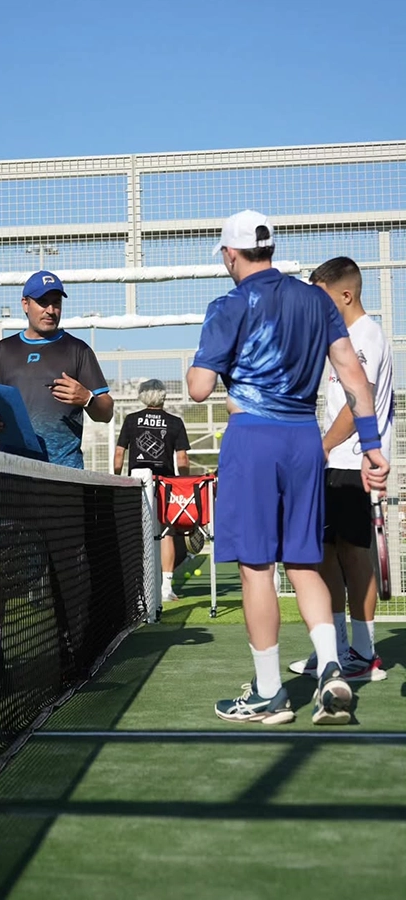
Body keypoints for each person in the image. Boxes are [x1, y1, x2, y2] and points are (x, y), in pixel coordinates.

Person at [186, 210, 389, 726]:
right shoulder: (318, 300)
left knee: (257, 567)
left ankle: (270, 695)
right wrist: (371, 447)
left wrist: (207, 362)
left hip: (253, 439)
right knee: (304, 561)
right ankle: (331, 668)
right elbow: (353, 379)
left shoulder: (228, 304)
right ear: (270, 249)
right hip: (304, 441)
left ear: (231, 255)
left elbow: (198, 389)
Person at [0, 270, 113, 679]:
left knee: (67, 565)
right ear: (25, 305)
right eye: (43, 301)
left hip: (63, 477)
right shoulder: (3, 352)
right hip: (12, 477)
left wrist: (88, 398)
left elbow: (106, 410)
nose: (51, 309)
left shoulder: (78, 350)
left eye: (56, 301)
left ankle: (73, 645)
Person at [289, 257, 393, 682]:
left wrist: (322, 445)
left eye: (322, 297)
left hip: (353, 462)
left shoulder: (366, 335)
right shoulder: (341, 337)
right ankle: (332, 648)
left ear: (345, 295)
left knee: (353, 553)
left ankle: (364, 654)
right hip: (333, 463)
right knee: (327, 552)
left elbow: (359, 399)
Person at [113, 378, 190, 602]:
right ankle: (166, 587)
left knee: (137, 534)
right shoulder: (175, 422)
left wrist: (116, 480)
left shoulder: (131, 420)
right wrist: (183, 484)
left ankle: (139, 587)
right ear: (163, 396)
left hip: (137, 483)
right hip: (166, 483)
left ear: (141, 395)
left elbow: (119, 454)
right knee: (166, 532)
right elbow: (182, 458)